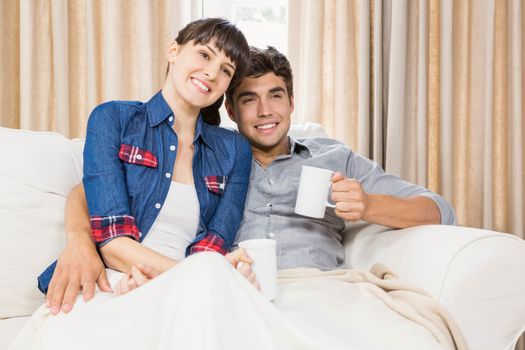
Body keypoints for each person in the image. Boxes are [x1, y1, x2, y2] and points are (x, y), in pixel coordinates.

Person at [12, 46, 460, 350]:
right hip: (230, 288)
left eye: (275, 96)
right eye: (249, 99)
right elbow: (94, 188)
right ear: (231, 108)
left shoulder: (335, 157)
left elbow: (440, 209)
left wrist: (370, 205)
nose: (265, 111)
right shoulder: (210, 155)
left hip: (318, 286)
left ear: (291, 101)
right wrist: (77, 241)